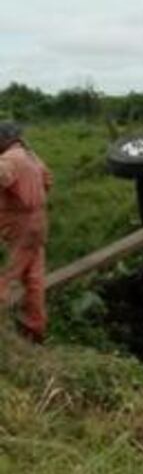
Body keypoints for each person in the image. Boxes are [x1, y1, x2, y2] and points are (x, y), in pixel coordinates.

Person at [0, 122, 52, 344]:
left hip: (17, 224)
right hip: (38, 222)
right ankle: (35, 328)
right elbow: (48, 181)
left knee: (4, 272)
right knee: (34, 278)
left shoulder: (10, 159)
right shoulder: (32, 157)